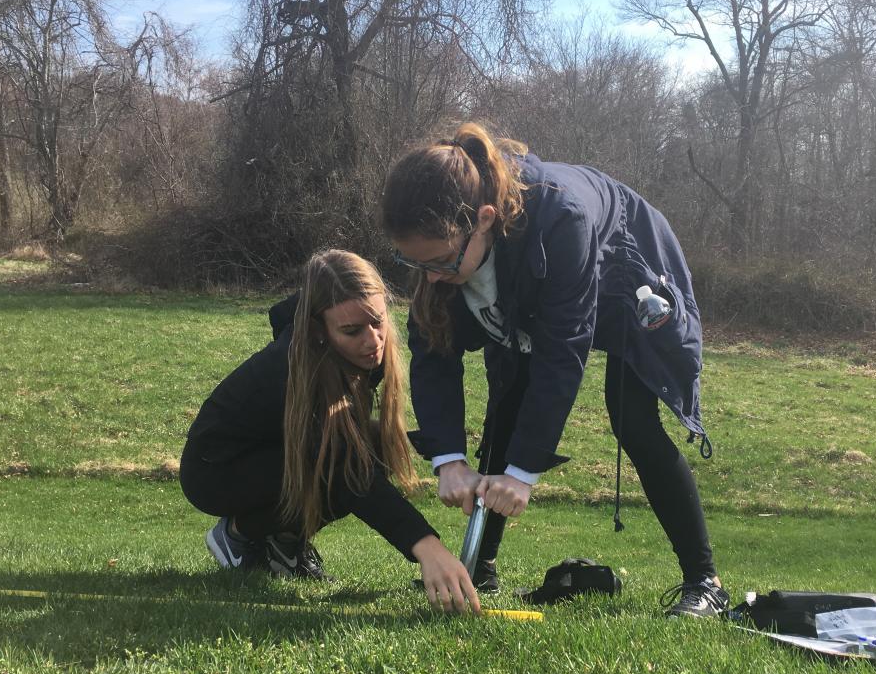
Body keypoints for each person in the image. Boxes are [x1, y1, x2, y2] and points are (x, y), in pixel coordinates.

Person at [382, 123, 727, 618]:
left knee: (634, 420)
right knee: (506, 409)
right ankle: (479, 566)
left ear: (483, 219)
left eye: (439, 262)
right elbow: (434, 354)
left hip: (630, 272)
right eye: (418, 264)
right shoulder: (442, 250)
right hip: (526, 275)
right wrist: (448, 458)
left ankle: (705, 582)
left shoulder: (562, 219)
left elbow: (562, 353)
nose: (432, 278)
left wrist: (523, 474)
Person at [179, 249, 481, 615]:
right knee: (350, 462)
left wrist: (443, 455)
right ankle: (240, 533)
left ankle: (283, 541)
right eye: (352, 331)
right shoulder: (293, 369)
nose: (373, 341)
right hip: (216, 470)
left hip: (276, 448)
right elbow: (347, 471)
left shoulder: (362, 352)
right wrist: (427, 547)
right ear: (318, 328)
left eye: (378, 322)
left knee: (379, 446)